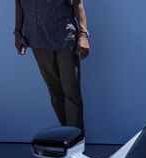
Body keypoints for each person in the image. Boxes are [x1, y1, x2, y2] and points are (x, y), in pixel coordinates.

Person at [14, 0, 90, 133]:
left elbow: (78, 3)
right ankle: (67, 134)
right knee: (55, 94)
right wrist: (18, 32)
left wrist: (83, 35)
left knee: (71, 93)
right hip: (38, 42)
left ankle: (74, 139)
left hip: (65, 40)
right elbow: (19, 3)